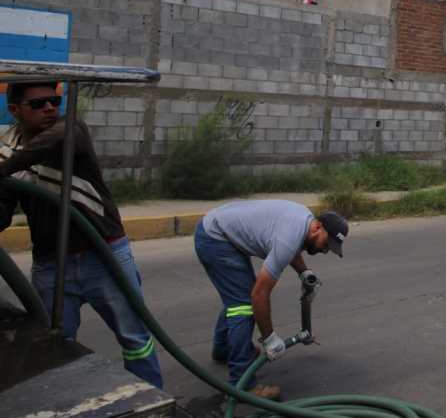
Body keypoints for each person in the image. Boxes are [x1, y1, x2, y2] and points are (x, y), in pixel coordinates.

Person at [0, 81, 163, 389]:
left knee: (135, 339)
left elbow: (51, 142)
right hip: (51, 264)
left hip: (104, 256)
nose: (49, 107)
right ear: (14, 110)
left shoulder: (70, 128)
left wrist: (5, 166)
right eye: (38, 104)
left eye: (53, 100)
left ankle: (154, 401)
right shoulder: (6, 151)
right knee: (52, 347)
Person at [194, 199, 348, 399]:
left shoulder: (303, 220)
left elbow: (291, 246)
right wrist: (269, 339)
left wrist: (304, 272)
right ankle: (242, 385)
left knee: (237, 296)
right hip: (216, 238)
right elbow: (259, 295)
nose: (325, 250)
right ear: (317, 226)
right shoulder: (290, 238)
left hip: (218, 230)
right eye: (326, 244)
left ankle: (223, 349)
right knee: (244, 305)